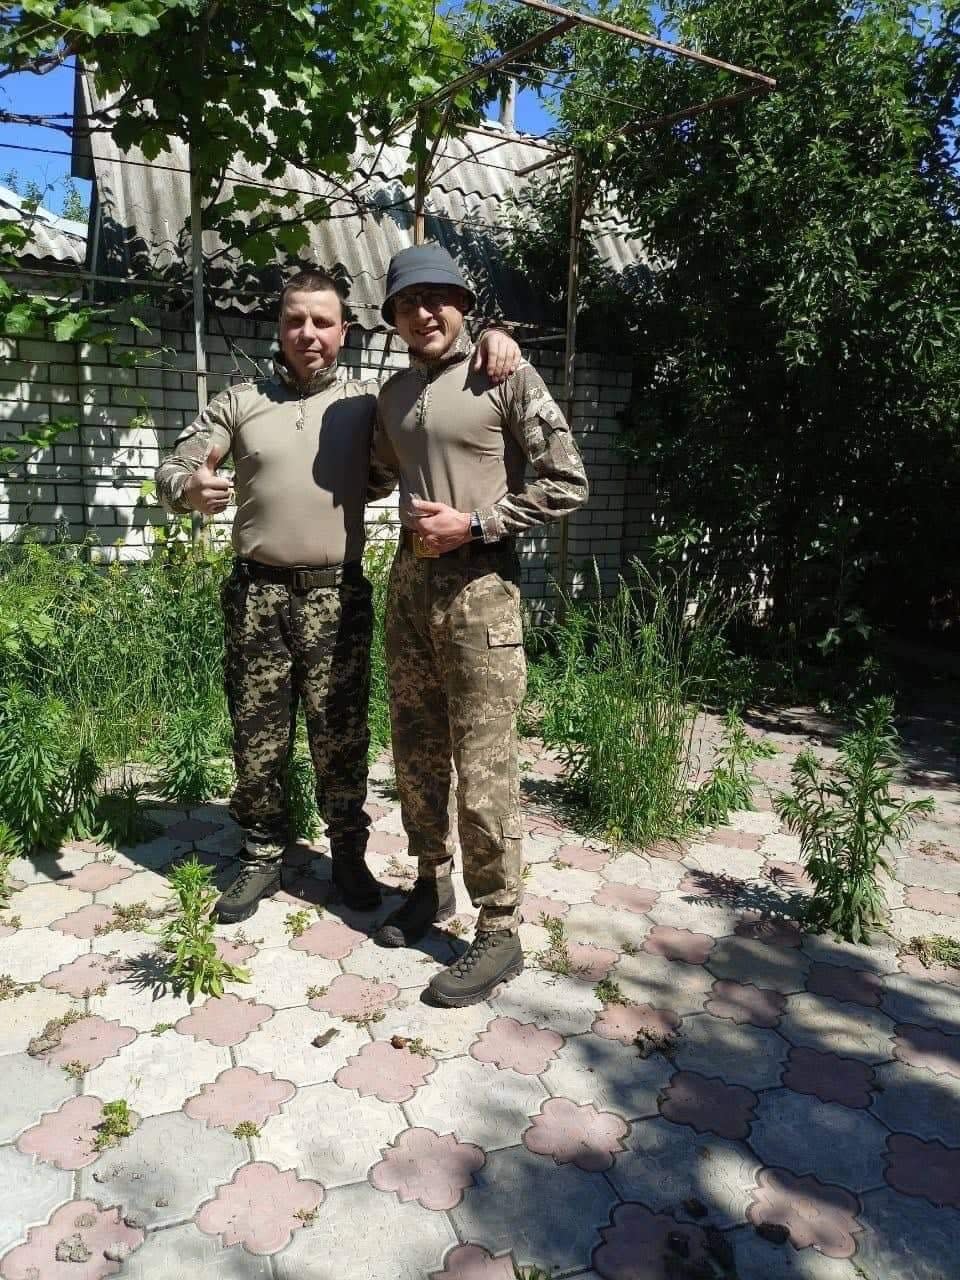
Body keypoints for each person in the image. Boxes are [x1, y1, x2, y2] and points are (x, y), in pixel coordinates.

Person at [155, 267, 520, 923]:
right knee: (256, 738)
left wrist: (498, 336)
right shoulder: (239, 402)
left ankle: (347, 855)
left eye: (322, 321)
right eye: (295, 319)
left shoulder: (367, 406)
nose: (308, 333)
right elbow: (179, 463)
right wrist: (185, 488)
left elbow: (432, 416)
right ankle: (262, 855)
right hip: (257, 597)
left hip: (336, 598)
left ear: (344, 331)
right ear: (281, 326)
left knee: (342, 737)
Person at [371, 244, 589, 1007]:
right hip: (407, 590)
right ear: (392, 318)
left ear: (463, 305)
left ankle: (500, 929)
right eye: (407, 302)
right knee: (417, 753)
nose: (424, 312)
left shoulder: (504, 374)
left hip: (482, 591)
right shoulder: (393, 393)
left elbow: (568, 482)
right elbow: (364, 469)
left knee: (485, 767)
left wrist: (477, 522)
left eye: (438, 298)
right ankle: (431, 886)